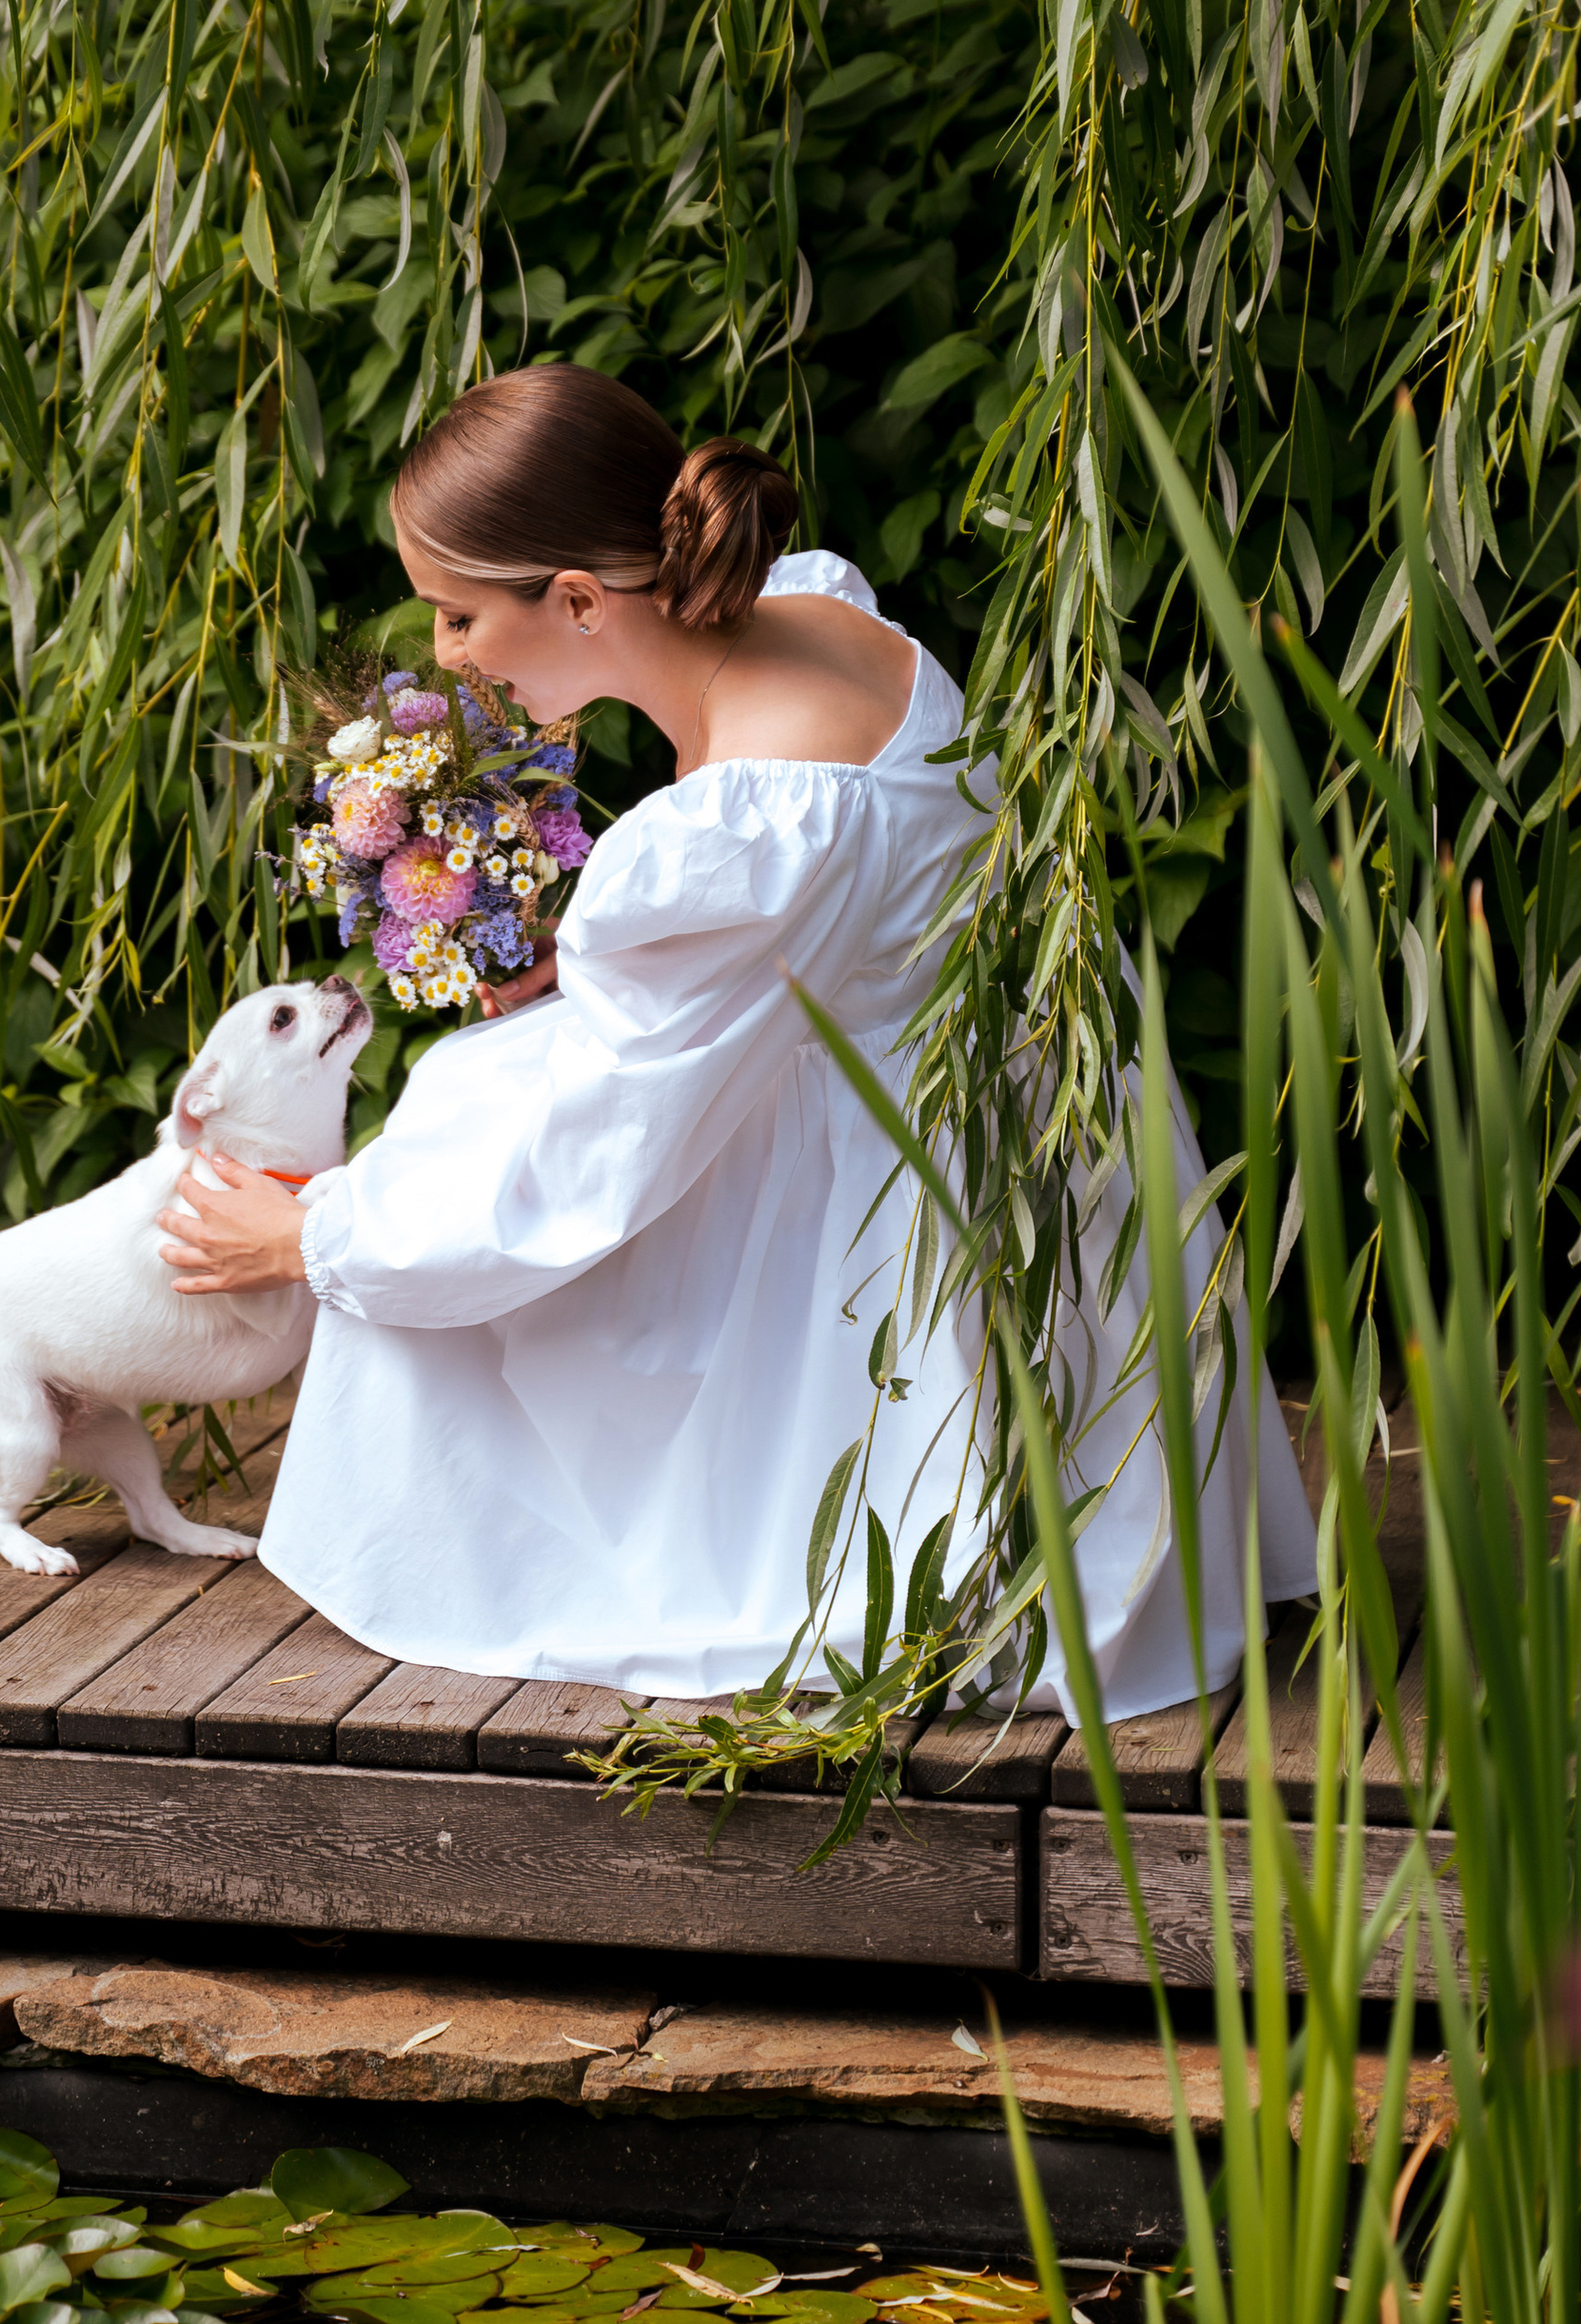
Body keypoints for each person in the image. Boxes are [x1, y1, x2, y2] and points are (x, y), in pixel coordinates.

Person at [157, 366, 1316, 1716]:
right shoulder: (810, 608)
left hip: (903, 1180)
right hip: (1007, 1096)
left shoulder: (757, 818)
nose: (453, 653)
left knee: (455, 1146)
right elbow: (815, 919)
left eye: (464, 614)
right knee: (486, 1082)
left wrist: (321, 1238)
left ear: (582, 602)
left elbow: (595, 1161)